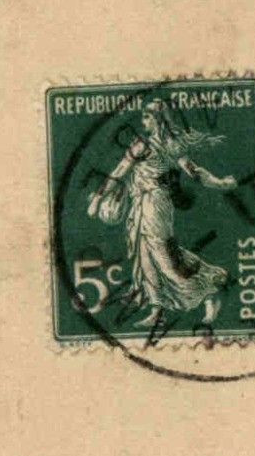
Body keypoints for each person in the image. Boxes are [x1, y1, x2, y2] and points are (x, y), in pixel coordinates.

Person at [87, 100, 239, 327]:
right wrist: (98, 198)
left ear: (158, 119)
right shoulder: (140, 144)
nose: (143, 122)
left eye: (147, 117)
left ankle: (209, 291)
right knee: (144, 255)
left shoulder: (171, 145)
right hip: (139, 204)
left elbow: (194, 172)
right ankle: (157, 310)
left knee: (163, 256)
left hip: (157, 203)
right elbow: (118, 172)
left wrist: (220, 183)